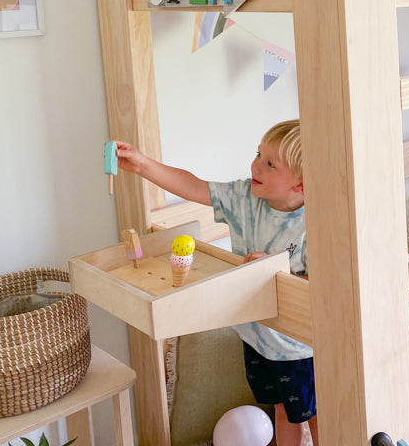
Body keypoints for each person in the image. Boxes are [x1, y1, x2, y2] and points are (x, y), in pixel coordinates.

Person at [114, 119, 318, 446]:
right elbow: (195, 186)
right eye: (258, 154)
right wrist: (143, 165)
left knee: (317, 416)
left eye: (270, 163)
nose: (255, 165)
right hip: (256, 337)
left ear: (301, 185)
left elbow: (323, 285)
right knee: (281, 410)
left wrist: (276, 271)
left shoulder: (316, 221)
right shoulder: (244, 198)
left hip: (298, 348)